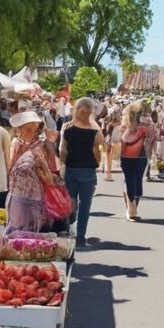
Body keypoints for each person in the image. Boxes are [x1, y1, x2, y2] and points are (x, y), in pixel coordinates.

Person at [59, 97, 105, 249]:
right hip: (88, 171)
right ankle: (80, 239)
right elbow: (102, 146)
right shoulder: (94, 130)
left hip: (71, 169)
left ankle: (67, 230)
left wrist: (62, 165)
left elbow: (62, 149)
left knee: (69, 203)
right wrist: (97, 161)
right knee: (85, 206)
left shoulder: (67, 127)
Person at [6, 110, 57, 233]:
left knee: (33, 223)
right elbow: (11, 165)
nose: (31, 130)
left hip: (37, 188)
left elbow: (52, 166)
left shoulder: (43, 143)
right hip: (18, 188)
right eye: (27, 128)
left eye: (33, 127)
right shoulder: (16, 142)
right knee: (18, 223)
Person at [118, 103, 151, 221]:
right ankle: (131, 209)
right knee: (131, 181)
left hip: (137, 157)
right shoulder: (123, 127)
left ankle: (131, 208)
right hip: (131, 157)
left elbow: (150, 139)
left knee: (133, 182)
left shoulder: (144, 126)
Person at [102, 109, 121, 181]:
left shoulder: (110, 123)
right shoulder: (113, 124)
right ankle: (108, 173)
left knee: (108, 158)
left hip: (110, 141)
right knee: (109, 158)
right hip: (111, 141)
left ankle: (107, 173)